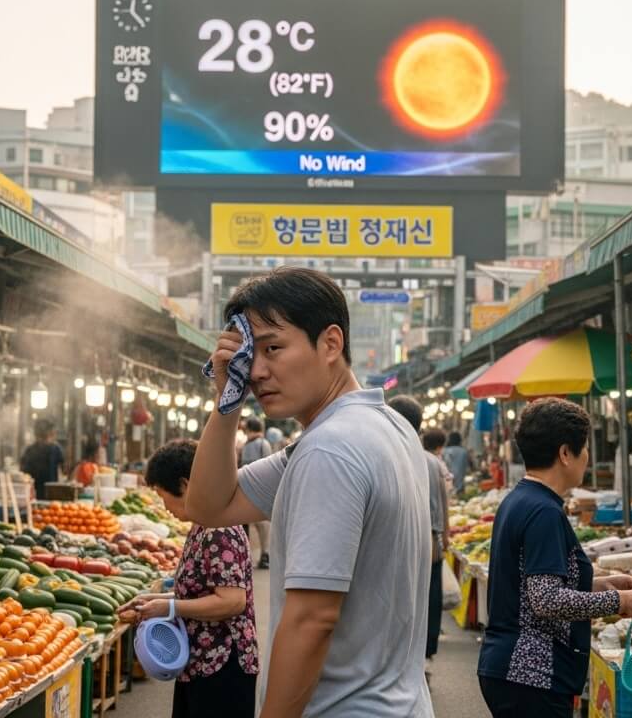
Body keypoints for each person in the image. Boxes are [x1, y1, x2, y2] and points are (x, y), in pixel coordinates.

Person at [187, 267, 433, 717]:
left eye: (273, 348)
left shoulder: (329, 450)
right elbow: (209, 506)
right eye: (250, 355)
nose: (256, 371)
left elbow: (312, 620)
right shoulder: (390, 427)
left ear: (331, 343)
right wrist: (227, 402)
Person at [478, 398, 632, 717]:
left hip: (513, 672)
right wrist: (620, 601)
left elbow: (531, 587)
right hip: (531, 675)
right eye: (585, 447)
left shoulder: (521, 499)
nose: (587, 456)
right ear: (565, 453)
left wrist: (603, 584)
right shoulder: (543, 512)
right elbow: (546, 600)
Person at [122, 439, 258, 718]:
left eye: (162, 496)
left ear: (184, 485)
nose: (164, 506)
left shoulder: (219, 530)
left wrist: (169, 607)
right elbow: (199, 593)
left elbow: (232, 601)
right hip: (200, 662)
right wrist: (154, 601)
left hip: (222, 667)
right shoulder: (202, 524)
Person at [386, 395, 452, 683]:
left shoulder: (385, 455)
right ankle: (425, 654)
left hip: (396, 539)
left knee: (398, 595)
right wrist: (444, 534)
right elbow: (443, 501)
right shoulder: (432, 462)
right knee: (429, 596)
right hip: (430, 538)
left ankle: (399, 656)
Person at [239, 418, 273, 570]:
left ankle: (263, 554)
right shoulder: (250, 444)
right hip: (252, 487)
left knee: (260, 523)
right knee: (257, 523)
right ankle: (258, 555)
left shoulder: (258, 444)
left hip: (255, 487)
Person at [20, 418, 64, 500]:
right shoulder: (55, 449)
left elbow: (23, 473)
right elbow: (63, 471)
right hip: (51, 494)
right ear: (50, 433)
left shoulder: (29, 450)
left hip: (32, 495)